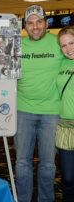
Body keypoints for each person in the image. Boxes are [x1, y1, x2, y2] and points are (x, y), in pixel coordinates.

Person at [15, 5, 64, 202]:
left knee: (48, 164)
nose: (35, 26)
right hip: (22, 111)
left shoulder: (59, 42)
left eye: (39, 22)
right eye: (30, 22)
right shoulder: (17, 46)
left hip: (52, 112)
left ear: (45, 23)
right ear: (25, 26)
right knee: (21, 162)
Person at [55, 26, 74, 202]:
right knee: (68, 179)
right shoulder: (61, 62)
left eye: (71, 43)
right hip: (65, 127)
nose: (68, 48)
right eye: (64, 45)